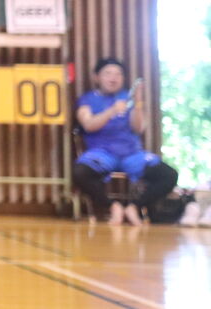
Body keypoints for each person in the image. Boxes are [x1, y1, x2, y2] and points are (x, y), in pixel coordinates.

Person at [73, 57, 179, 225]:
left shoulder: (127, 99)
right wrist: (112, 111)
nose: (113, 78)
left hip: (131, 154)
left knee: (169, 175)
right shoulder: (87, 100)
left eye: (118, 74)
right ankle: (113, 206)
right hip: (102, 154)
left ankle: (134, 207)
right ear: (97, 77)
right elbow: (88, 125)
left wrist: (137, 104)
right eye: (108, 73)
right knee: (80, 172)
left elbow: (139, 128)